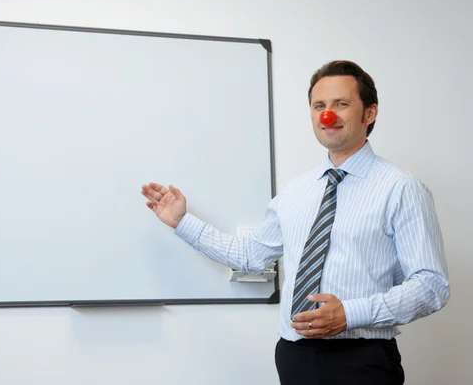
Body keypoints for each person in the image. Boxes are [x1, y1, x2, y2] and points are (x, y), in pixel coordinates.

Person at [141, 60, 449, 384]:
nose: (327, 115)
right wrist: (182, 221)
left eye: (341, 104)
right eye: (319, 105)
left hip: (360, 360)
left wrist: (350, 313)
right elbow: (251, 256)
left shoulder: (401, 189)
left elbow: (432, 286)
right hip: (294, 356)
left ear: (369, 113)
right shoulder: (296, 191)